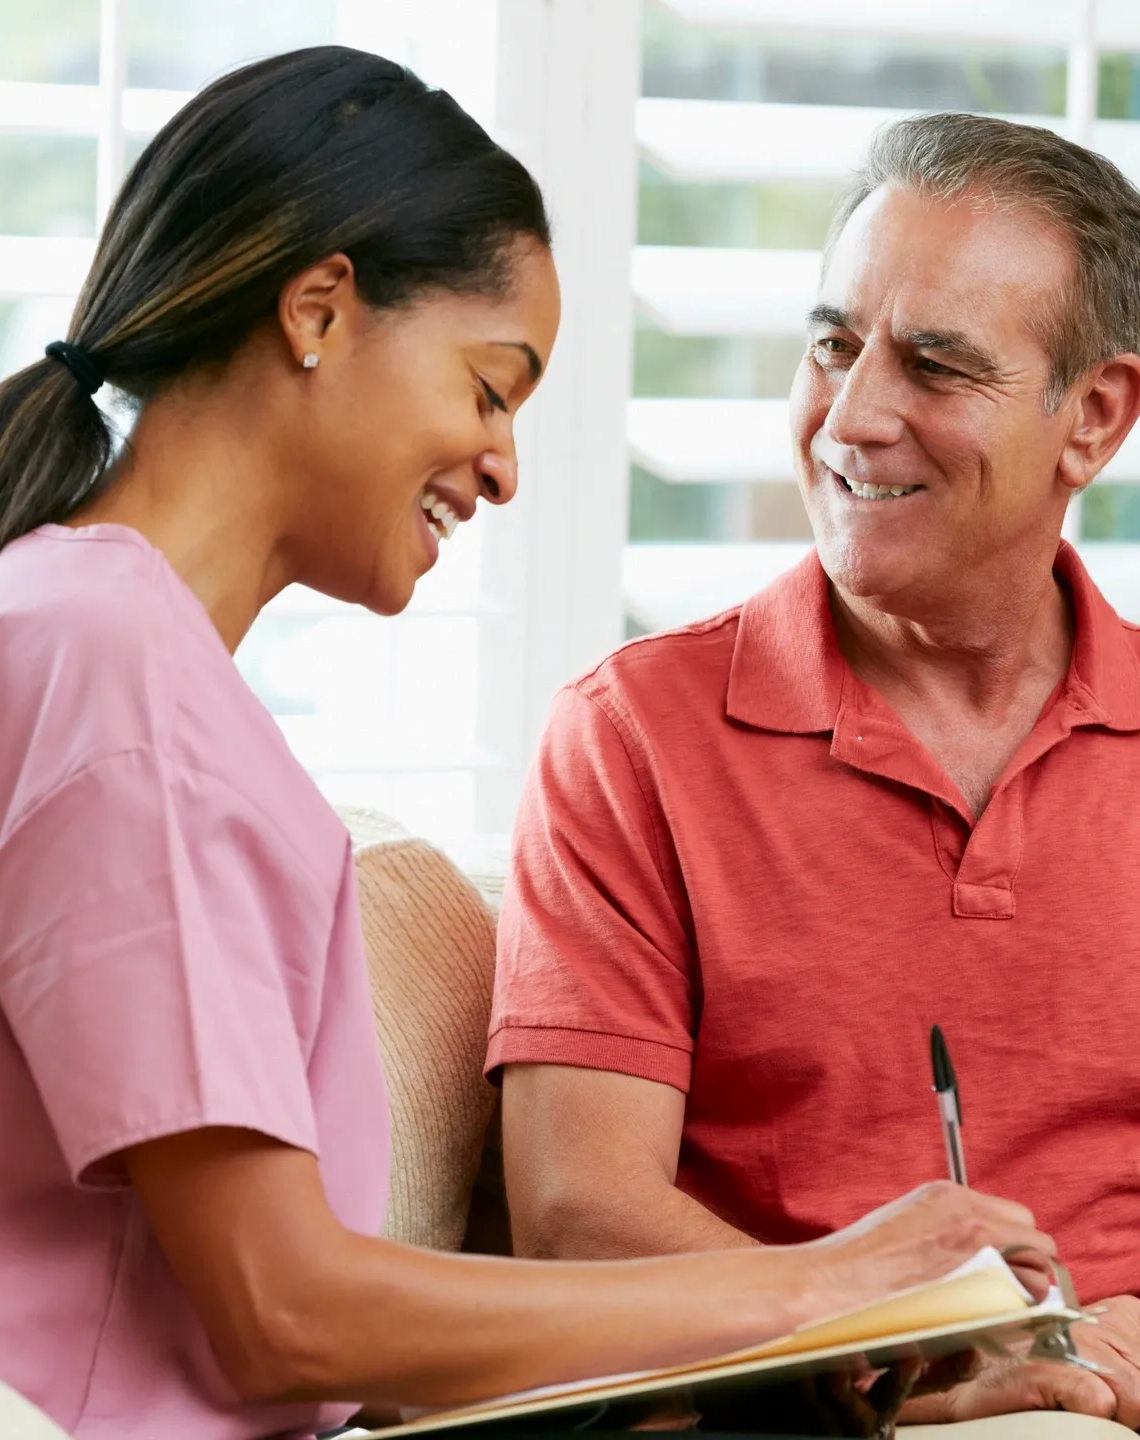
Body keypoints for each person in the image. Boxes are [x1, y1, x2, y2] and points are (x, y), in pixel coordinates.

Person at [0, 51, 1055, 1440]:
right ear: (318, 310)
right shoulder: (112, 665)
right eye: (491, 389)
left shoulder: (99, 638)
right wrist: (825, 1288)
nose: (504, 466)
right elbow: (283, 1315)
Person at [490, 111, 1140, 1430]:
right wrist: (900, 1334)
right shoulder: (631, 736)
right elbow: (578, 1221)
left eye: (934, 366)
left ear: (1094, 420)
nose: (849, 418)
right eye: (833, 346)